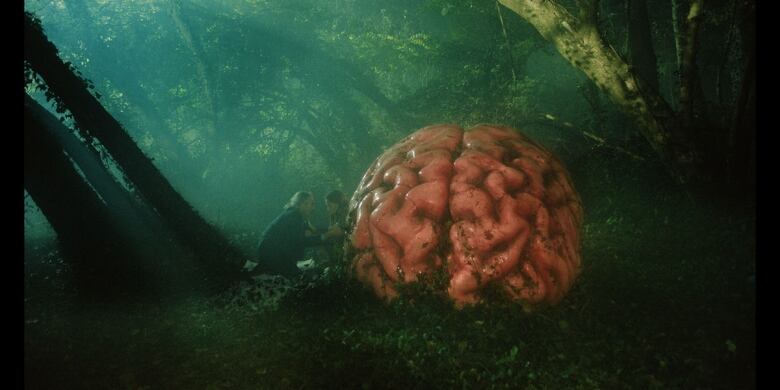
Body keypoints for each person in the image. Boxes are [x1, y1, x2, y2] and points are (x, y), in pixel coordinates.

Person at [253, 191, 327, 278]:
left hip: (271, 252)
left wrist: (326, 231)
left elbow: (310, 230)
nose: (312, 208)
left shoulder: (294, 215)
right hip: (272, 254)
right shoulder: (294, 217)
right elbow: (301, 241)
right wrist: (326, 236)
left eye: (312, 204)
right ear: (301, 204)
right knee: (300, 277)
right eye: (309, 204)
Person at [321, 190, 348, 265]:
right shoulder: (333, 214)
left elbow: (345, 229)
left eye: (329, 205)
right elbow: (332, 228)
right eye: (327, 206)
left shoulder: (346, 212)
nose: (327, 208)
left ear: (338, 203)